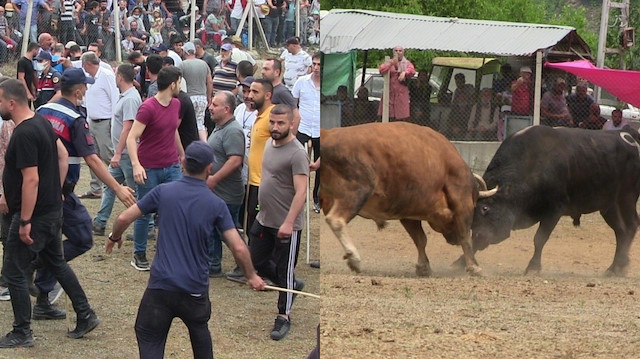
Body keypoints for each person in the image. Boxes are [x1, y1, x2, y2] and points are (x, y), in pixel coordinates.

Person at [106, 140, 265, 358]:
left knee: (149, 336)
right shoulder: (215, 204)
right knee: (200, 333)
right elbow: (238, 246)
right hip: (194, 289)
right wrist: (251, 276)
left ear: (183, 163)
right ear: (210, 168)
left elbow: (124, 217)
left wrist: (114, 237)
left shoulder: (163, 192)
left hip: (161, 287)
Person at [0, 78, 99, 348]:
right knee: (57, 262)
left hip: (36, 215)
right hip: (52, 210)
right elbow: (62, 155)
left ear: (11, 102)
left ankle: (22, 332)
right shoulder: (41, 121)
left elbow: (30, 179)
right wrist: (57, 192)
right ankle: (85, 313)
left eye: (0, 100)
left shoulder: (24, 133)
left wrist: (25, 221)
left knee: (16, 271)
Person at [35, 67, 136, 317]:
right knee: (81, 238)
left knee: (50, 242)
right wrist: (117, 188)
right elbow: (91, 159)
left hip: (37, 187)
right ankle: (36, 274)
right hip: (60, 192)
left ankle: (41, 290)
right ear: (78, 91)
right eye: (86, 88)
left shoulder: (41, 111)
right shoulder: (75, 119)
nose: (87, 91)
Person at [249, 104, 309, 341]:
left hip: (287, 225)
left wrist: (289, 222)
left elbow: (301, 192)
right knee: (254, 261)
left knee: (285, 270)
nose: (275, 127)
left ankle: (284, 316)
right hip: (264, 219)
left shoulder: (297, 153)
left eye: (281, 123)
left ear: (292, 124)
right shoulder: (268, 145)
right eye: (272, 123)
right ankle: (291, 285)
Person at [126, 66, 185, 271]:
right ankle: (139, 253)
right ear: (172, 84)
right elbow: (132, 138)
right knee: (145, 211)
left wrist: (182, 155)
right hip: (149, 168)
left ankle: (169, 252)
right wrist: (136, 165)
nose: (180, 85)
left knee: (173, 210)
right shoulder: (148, 107)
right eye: (179, 82)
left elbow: (173, 131)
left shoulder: (176, 104)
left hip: (172, 166)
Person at [92, 64, 143, 236]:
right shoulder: (126, 96)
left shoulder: (130, 99)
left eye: (116, 75)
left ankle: (146, 226)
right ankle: (100, 222)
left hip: (127, 155)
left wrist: (118, 153)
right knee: (110, 186)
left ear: (120, 77)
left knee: (135, 191)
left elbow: (128, 129)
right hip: (123, 155)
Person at [206, 91, 245, 278]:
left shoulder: (233, 130)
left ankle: (246, 266)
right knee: (214, 229)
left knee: (227, 232)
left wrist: (214, 179)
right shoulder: (220, 127)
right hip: (217, 193)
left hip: (228, 193)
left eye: (215, 105)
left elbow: (235, 160)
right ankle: (213, 264)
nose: (210, 107)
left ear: (227, 109)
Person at [78, 51, 119, 200]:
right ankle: (96, 188)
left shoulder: (106, 75)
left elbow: (114, 98)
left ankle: (120, 183)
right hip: (92, 121)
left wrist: (113, 123)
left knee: (108, 154)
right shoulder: (90, 79)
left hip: (104, 121)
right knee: (92, 155)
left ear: (87, 64)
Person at [246, 79, 275, 244]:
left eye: (255, 92)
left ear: (267, 95)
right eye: (250, 91)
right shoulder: (259, 116)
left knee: (259, 230)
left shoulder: (272, 116)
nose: (250, 95)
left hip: (264, 183)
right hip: (254, 181)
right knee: (251, 226)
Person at [292, 52, 320, 212]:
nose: (316, 68)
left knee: (320, 166)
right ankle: (299, 197)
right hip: (303, 128)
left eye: (319, 65)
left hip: (319, 130)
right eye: (314, 64)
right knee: (300, 164)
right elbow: (293, 103)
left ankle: (317, 199)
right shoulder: (301, 82)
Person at [180, 41, 213, 141]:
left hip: (189, 97)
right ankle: (204, 143)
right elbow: (210, 81)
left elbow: (178, 81)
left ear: (185, 52)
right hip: (202, 98)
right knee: (200, 123)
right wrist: (209, 97)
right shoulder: (204, 64)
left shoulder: (182, 65)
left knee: (187, 123)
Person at [261, 58, 300, 133]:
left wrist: (290, 139)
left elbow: (296, 116)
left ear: (277, 72)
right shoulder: (268, 90)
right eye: (263, 69)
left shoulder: (282, 92)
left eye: (266, 69)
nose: (262, 72)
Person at [377, 45, 415, 121]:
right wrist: (391, 64)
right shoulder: (388, 62)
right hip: (389, 93)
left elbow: (412, 71)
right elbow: (381, 70)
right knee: (387, 115)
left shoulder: (407, 63)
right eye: (396, 50)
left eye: (400, 51)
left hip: (401, 94)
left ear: (403, 53)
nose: (398, 52)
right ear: (393, 52)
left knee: (401, 116)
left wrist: (404, 72)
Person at [448, 72, 475, 139]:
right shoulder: (456, 91)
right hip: (457, 114)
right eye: (457, 81)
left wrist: (465, 103)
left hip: (466, 113)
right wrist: (453, 127)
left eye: (460, 81)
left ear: (463, 81)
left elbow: (473, 99)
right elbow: (453, 104)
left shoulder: (470, 88)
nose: (458, 83)